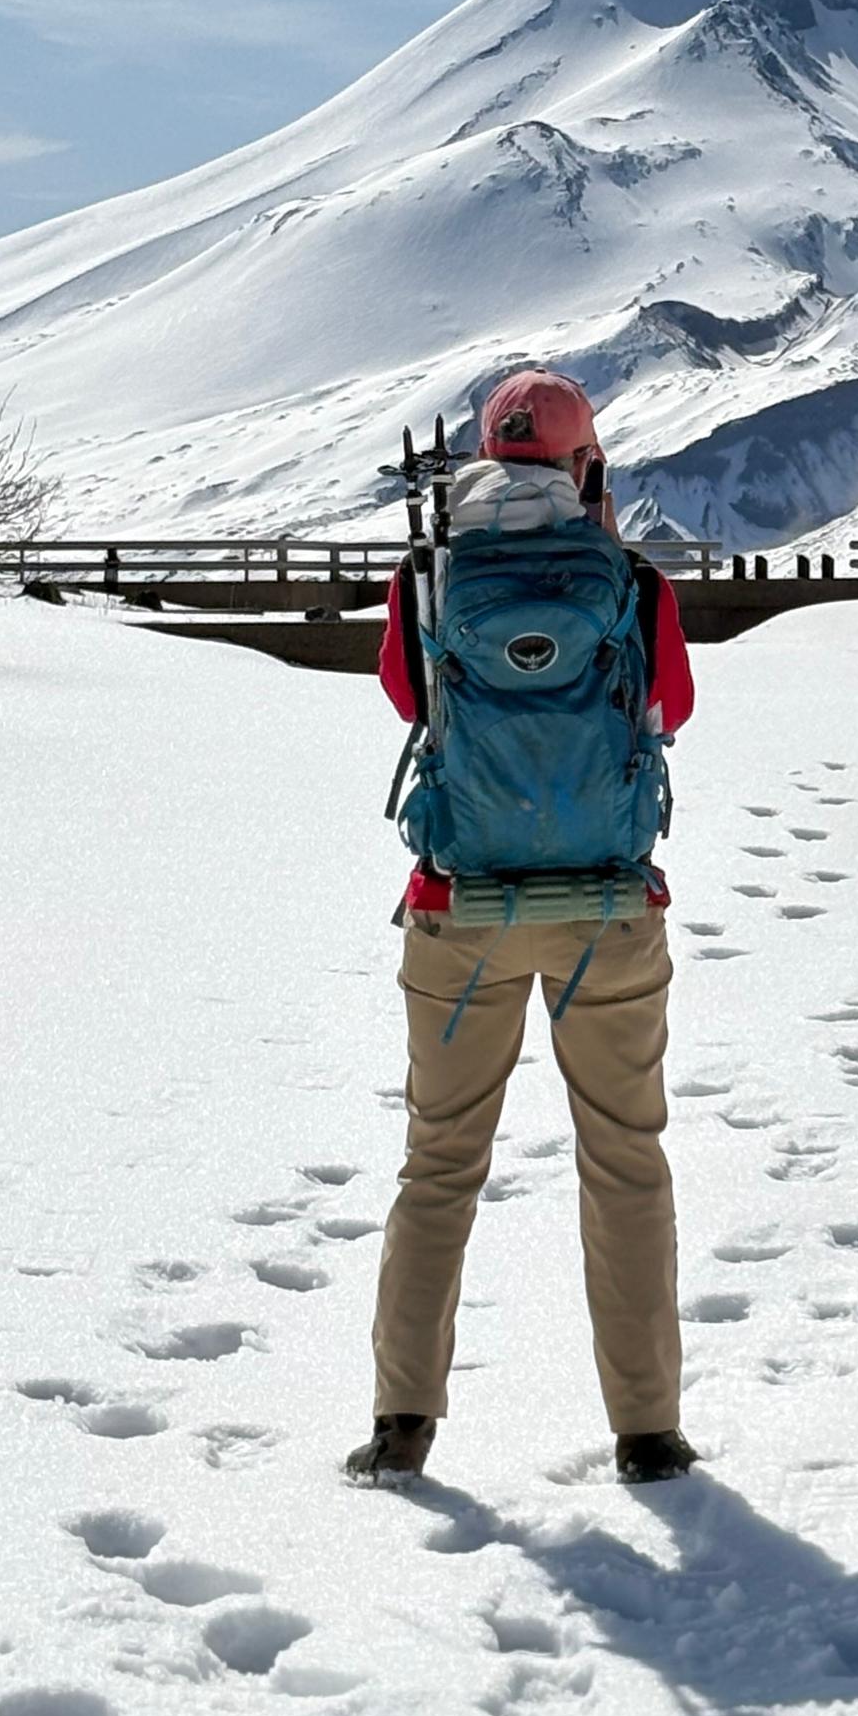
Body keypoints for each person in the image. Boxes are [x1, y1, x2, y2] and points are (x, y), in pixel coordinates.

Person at [345, 368, 699, 1486]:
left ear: (482, 464)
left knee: (439, 1163)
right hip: (606, 908)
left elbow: (414, 702)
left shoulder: (429, 579)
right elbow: (667, 713)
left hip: (461, 911)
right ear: (584, 462)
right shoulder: (632, 584)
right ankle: (646, 1431)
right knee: (625, 1160)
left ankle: (403, 1423)